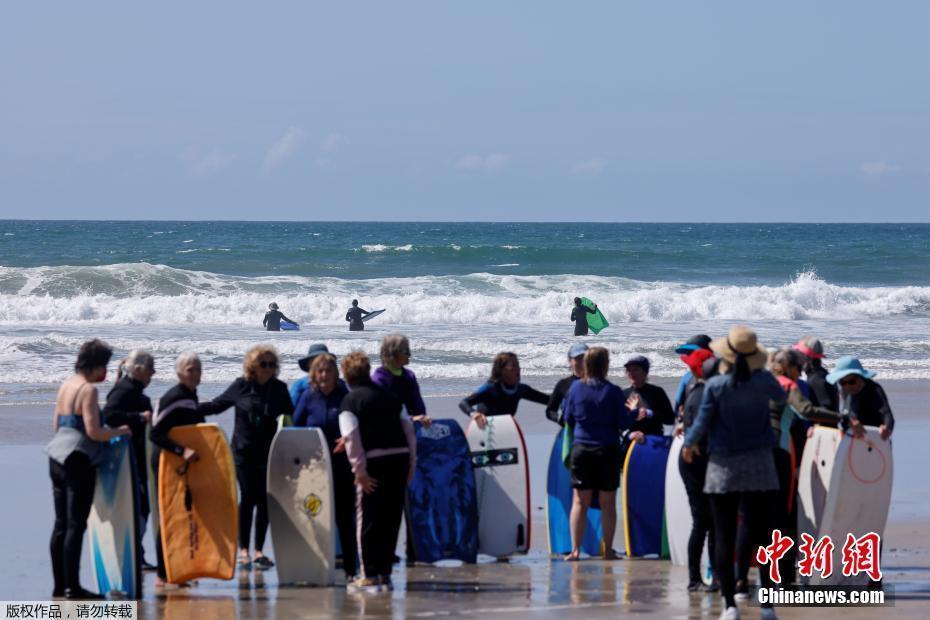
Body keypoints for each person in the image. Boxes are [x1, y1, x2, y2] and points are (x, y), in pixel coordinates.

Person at [682, 326, 783, 620]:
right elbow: (781, 399)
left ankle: (730, 605)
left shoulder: (716, 385)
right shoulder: (764, 381)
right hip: (761, 463)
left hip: (723, 465)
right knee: (762, 535)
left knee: (724, 533)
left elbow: (702, 422)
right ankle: (767, 606)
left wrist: (689, 444)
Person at [46, 339, 130, 600]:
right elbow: (94, 431)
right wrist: (121, 431)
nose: (105, 372)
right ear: (95, 366)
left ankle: (59, 586)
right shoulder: (88, 391)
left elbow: (57, 424)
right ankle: (74, 588)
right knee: (76, 525)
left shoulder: (66, 385)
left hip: (55, 456)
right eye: (103, 366)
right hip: (78, 460)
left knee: (60, 525)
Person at [204, 345, 294, 569]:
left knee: (264, 501)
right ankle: (243, 549)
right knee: (248, 498)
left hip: (268, 454)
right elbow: (216, 406)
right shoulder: (241, 386)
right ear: (253, 365)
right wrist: (184, 409)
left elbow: (294, 416)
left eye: (272, 364)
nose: (268, 368)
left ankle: (258, 550)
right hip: (243, 453)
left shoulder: (279, 389)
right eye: (263, 364)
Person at [338, 351, 417, 593]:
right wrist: (411, 465)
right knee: (391, 520)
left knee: (369, 522)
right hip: (399, 460)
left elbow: (351, 439)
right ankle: (385, 574)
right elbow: (409, 431)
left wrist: (359, 471)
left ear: (347, 376)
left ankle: (369, 575)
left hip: (374, 464)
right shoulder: (391, 397)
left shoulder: (350, 402)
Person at [562, 347, 647, 561]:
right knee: (607, 503)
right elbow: (623, 422)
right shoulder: (613, 391)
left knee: (579, 503)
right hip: (607, 451)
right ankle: (607, 550)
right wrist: (635, 412)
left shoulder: (575, 389)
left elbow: (567, 418)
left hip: (582, 450)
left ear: (587, 364)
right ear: (605, 365)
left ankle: (575, 550)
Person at [149, 352, 226, 587]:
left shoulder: (190, 396)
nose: (195, 374)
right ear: (180, 373)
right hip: (168, 461)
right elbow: (155, 433)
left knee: (184, 516)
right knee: (170, 516)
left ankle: (179, 570)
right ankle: (164, 574)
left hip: (184, 462)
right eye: (190, 369)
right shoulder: (175, 397)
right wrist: (181, 452)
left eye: (198, 370)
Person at [291, 353, 358, 582]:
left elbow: (357, 424)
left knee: (345, 519)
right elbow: (295, 427)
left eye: (328, 370)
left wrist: (347, 440)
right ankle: (314, 569)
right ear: (313, 374)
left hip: (341, 467)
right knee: (313, 515)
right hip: (314, 469)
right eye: (319, 371)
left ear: (335, 373)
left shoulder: (345, 396)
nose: (324, 375)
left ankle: (351, 570)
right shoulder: (308, 397)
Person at [370, 334, 432, 565]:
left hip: (407, 443)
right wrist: (410, 417)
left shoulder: (408, 376)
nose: (409, 355)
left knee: (407, 500)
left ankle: (413, 551)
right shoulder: (379, 378)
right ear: (392, 354)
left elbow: (418, 406)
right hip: (383, 445)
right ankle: (384, 550)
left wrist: (420, 417)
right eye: (406, 350)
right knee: (385, 504)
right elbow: (379, 411)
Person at [103, 350, 155, 570]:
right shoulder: (124, 390)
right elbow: (109, 415)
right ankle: (132, 556)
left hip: (137, 458)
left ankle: (137, 554)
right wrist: (138, 418)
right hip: (128, 460)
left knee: (141, 508)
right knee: (138, 508)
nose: (153, 373)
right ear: (139, 369)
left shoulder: (134, 391)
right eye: (151, 368)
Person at [674, 351, 719, 592]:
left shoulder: (696, 389)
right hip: (696, 460)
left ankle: (714, 578)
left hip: (697, 458)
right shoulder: (704, 393)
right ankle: (695, 580)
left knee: (709, 522)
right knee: (703, 522)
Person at [458, 352, 550, 429]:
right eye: (513, 365)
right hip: (483, 430)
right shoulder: (490, 388)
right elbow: (464, 403)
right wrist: (474, 414)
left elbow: (549, 400)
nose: (518, 368)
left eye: (518, 364)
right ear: (501, 370)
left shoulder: (520, 389)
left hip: (504, 430)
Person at [827, 356, 895, 440]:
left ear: (860, 377)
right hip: (852, 440)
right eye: (843, 382)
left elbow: (886, 414)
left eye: (852, 381)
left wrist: (886, 428)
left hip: (874, 440)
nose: (848, 386)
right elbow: (846, 415)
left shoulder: (874, 390)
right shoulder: (844, 391)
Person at [622, 355, 674, 451]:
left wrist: (649, 413)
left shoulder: (657, 392)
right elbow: (617, 425)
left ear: (645, 372)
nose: (631, 373)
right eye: (629, 370)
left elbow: (670, 419)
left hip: (654, 442)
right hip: (631, 443)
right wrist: (630, 435)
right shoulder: (624, 394)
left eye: (636, 369)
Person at [545, 343, 588, 424]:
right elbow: (550, 411)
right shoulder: (563, 384)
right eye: (577, 358)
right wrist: (562, 421)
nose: (582, 362)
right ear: (570, 360)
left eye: (584, 358)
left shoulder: (599, 384)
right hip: (568, 432)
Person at [792, 336, 838, 411]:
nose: (796, 357)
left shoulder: (817, 380)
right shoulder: (819, 374)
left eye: (798, 353)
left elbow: (828, 409)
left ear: (805, 356)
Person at [673, 335, 713, 411]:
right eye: (689, 354)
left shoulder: (688, 378)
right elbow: (678, 409)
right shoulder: (687, 378)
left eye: (693, 353)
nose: (691, 357)